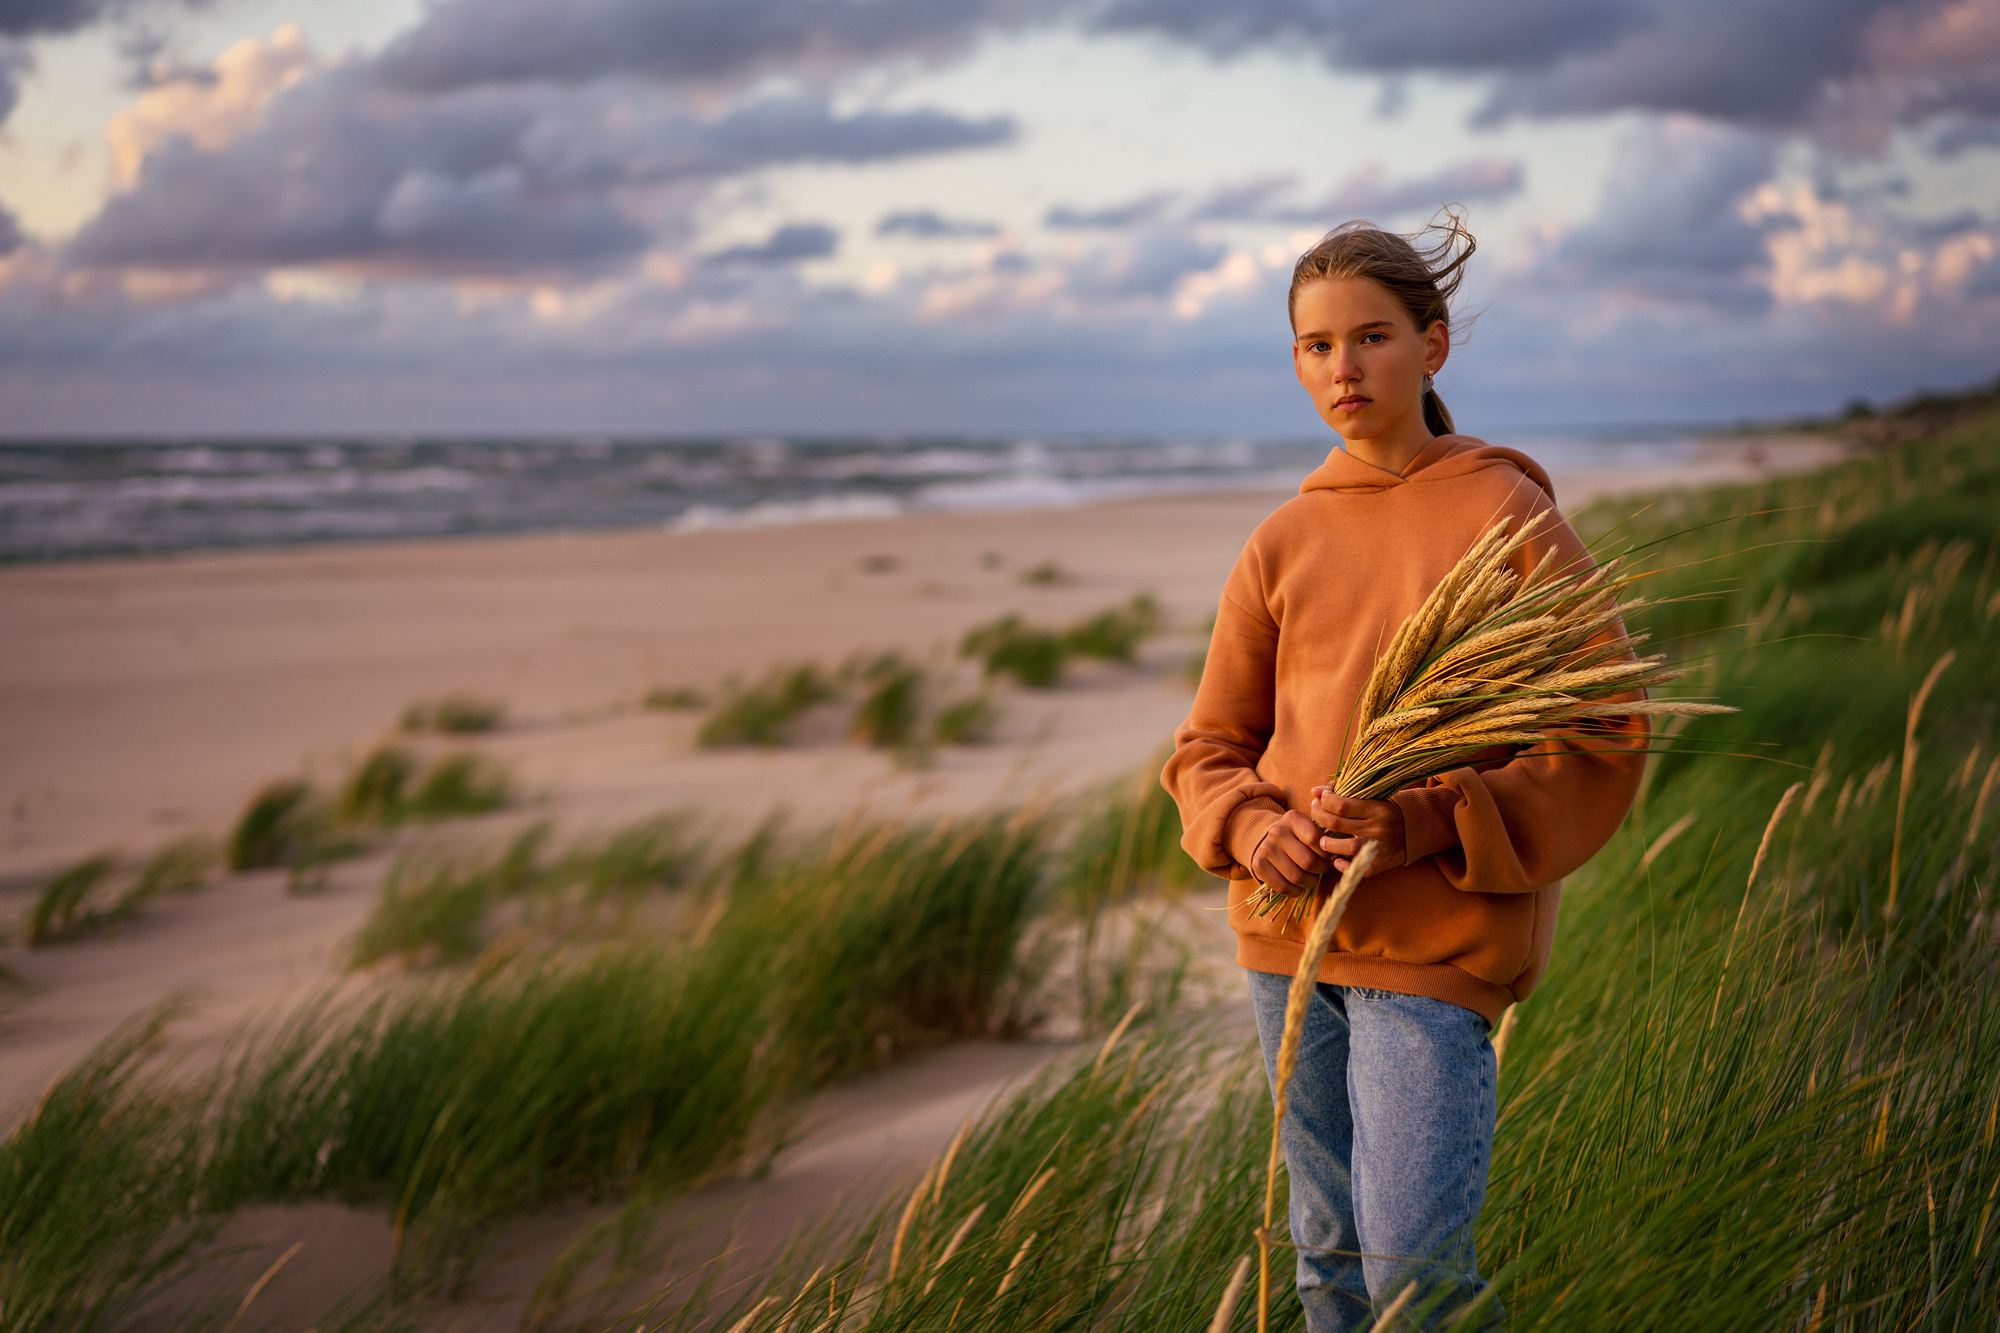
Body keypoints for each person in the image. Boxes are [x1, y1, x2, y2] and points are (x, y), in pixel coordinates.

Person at [1160, 212, 1647, 1331]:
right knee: (1325, 1264)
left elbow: (1602, 728)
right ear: (1295, 362)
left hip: (1434, 946)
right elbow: (1206, 748)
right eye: (1317, 345)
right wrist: (1252, 830)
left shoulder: (1502, 512)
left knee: (1409, 1281)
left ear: (1432, 346)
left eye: (1371, 337)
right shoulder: (1280, 539)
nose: (1344, 367)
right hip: (1286, 943)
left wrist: (1420, 822)